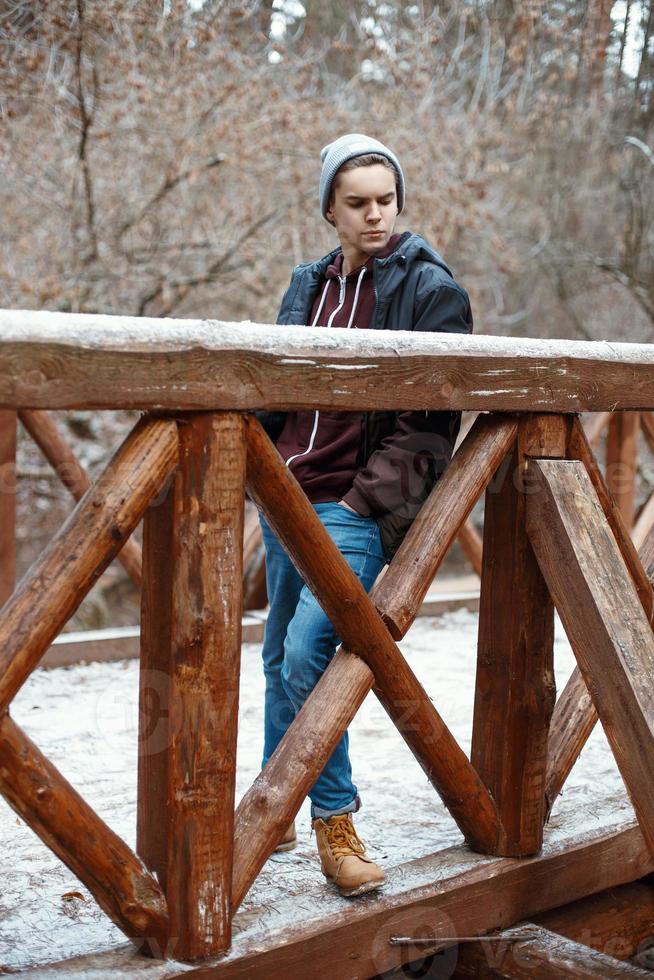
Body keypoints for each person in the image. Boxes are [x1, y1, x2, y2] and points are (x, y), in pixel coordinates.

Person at [257, 133, 473, 897]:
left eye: (386, 199)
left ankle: (335, 820)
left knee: (314, 649)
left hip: (353, 501)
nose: (376, 214)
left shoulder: (430, 290)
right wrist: (257, 457)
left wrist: (362, 501)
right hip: (282, 489)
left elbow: (429, 422)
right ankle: (271, 803)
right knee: (280, 649)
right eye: (358, 202)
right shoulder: (306, 285)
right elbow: (271, 379)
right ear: (329, 210)